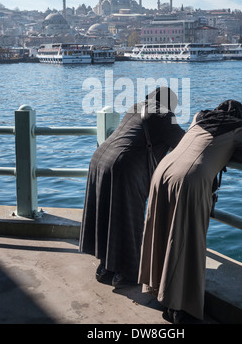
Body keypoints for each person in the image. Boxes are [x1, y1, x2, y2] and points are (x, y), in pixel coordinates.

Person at [138, 99, 242, 324]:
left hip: (163, 170)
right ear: (240, 116)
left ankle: (159, 292)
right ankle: (180, 309)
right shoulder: (236, 129)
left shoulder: (199, 117)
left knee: (162, 231)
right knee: (187, 242)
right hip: (189, 180)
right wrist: (228, 153)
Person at [79, 87, 185, 289]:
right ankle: (128, 273)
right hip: (123, 167)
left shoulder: (136, 107)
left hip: (100, 160)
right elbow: (184, 142)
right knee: (129, 217)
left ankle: (106, 268)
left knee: (107, 215)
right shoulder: (163, 114)